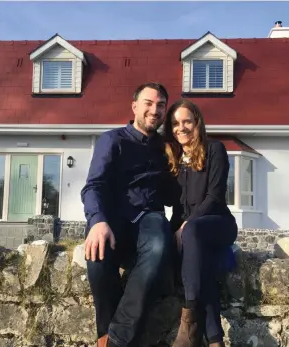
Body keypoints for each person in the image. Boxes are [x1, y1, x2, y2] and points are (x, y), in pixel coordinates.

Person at [81, 82, 174, 347]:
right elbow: (93, 185)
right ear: (134, 106)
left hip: (150, 219)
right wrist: (97, 221)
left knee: (159, 247)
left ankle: (116, 341)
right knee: (96, 256)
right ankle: (105, 335)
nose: (154, 110)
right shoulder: (112, 140)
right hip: (114, 219)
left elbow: (174, 195)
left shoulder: (166, 148)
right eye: (148, 103)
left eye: (160, 105)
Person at [163, 99, 238, 347]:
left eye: (186, 121)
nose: (180, 128)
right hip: (190, 234)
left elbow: (215, 197)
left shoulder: (215, 149)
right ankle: (215, 340)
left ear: (197, 123)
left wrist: (186, 226)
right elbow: (173, 207)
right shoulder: (173, 158)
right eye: (175, 123)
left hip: (217, 224)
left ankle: (189, 318)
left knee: (192, 232)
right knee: (199, 264)